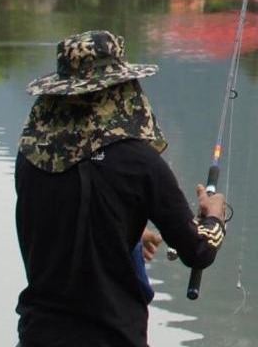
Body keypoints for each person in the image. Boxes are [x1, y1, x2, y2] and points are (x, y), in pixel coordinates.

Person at [15, 30, 227, 347]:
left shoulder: (31, 158)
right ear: (121, 90)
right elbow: (197, 251)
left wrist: (121, 230)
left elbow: (66, 216)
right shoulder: (139, 163)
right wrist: (213, 217)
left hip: (38, 335)